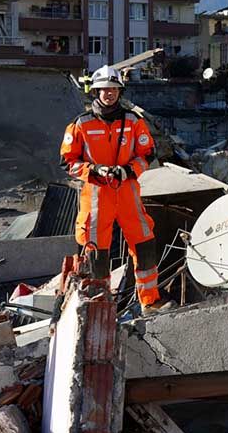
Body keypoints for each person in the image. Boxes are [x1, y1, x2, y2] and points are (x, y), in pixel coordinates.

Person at [60, 65, 169, 313]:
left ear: (120, 91)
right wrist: (94, 171)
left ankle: (150, 301)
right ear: (96, 91)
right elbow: (68, 161)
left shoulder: (133, 122)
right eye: (104, 89)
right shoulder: (81, 125)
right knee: (96, 254)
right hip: (97, 197)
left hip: (128, 192)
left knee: (144, 244)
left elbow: (147, 153)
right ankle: (100, 306)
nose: (109, 93)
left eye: (114, 89)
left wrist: (128, 170)